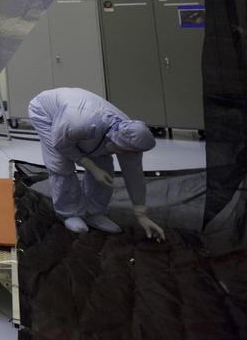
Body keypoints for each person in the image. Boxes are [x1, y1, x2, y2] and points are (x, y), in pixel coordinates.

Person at [27, 87, 164, 239]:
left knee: (103, 165)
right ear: (118, 142)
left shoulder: (132, 137)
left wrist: (141, 214)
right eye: (124, 150)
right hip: (46, 112)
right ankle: (69, 213)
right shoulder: (79, 122)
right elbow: (61, 144)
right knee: (61, 164)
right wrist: (90, 165)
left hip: (80, 119)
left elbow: (134, 175)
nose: (128, 155)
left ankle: (94, 212)